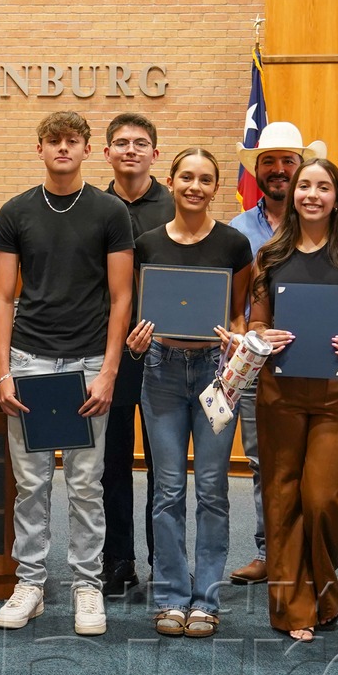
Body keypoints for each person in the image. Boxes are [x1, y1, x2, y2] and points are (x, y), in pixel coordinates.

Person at [0, 110, 135, 636]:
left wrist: (109, 373)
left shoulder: (109, 211)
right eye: (53, 141)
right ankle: (29, 584)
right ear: (40, 148)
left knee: (85, 485)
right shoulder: (16, 211)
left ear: (87, 149)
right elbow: (3, 297)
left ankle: (86, 587)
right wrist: (3, 373)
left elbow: (122, 298)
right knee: (30, 485)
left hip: (88, 363)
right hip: (30, 360)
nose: (62, 149)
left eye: (72, 141)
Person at [249, 158, 338, 641]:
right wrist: (263, 336)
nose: (311, 194)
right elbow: (256, 322)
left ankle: (323, 588)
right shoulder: (270, 255)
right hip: (279, 391)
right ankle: (293, 608)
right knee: (282, 498)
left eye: (322, 187)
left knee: (322, 498)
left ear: (336, 196)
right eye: (305, 185)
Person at [127, 147, 252, 638]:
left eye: (204, 179)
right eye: (186, 178)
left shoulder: (234, 244)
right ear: (172, 182)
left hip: (215, 375)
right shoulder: (148, 244)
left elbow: (239, 313)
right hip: (160, 370)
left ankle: (207, 601)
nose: (194, 186)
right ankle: (173, 597)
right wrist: (140, 338)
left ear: (215, 187)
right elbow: (142, 310)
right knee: (168, 490)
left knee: (213, 490)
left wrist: (238, 337)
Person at [226, 122, 319, 586]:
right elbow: (230, 304)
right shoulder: (236, 232)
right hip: (256, 367)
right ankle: (272, 553)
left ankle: (310, 557)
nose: (279, 170)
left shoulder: (324, 222)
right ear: (257, 170)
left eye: (288, 161)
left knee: (313, 467)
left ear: (302, 168)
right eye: (269, 161)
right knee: (265, 464)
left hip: (317, 367)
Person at [100, 112, 173, 597]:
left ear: (155, 153)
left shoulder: (178, 206)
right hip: (111, 354)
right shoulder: (91, 207)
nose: (131, 149)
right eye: (121, 142)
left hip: (168, 354)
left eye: (140, 142)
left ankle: (164, 563)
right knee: (111, 464)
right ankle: (118, 561)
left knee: (165, 465)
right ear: (105, 152)